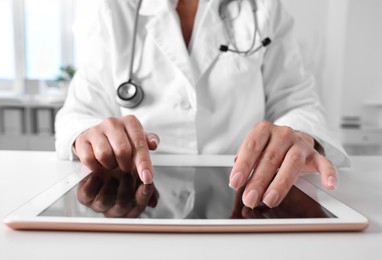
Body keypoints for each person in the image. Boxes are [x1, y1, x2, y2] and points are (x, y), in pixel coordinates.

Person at [55, 0, 350, 210]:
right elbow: (78, 114)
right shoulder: (111, 8)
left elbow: (297, 101)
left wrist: (297, 134)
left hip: (244, 197)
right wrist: (89, 135)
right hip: (136, 200)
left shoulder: (263, 8)